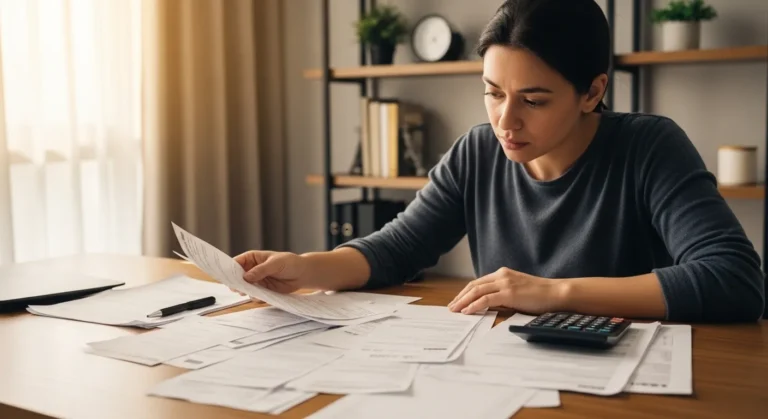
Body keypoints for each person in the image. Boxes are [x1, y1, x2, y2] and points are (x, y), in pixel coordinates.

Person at [235, 0, 765, 322]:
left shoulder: (649, 147)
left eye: (533, 101)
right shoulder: (478, 151)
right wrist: (306, 268)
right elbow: (398, 248)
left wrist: (553, 293)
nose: (505, 121)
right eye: (492, 92)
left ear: (592, 91)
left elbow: (736, 281)